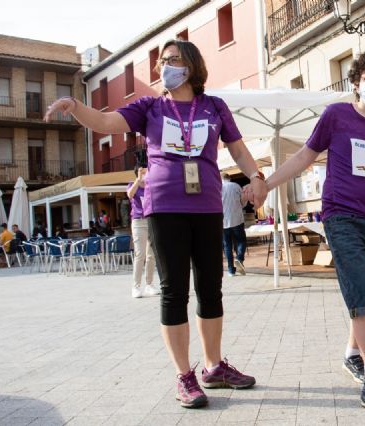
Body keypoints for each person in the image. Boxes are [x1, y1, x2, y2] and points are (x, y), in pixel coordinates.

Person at [44, 38, 268, 409]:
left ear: (192, 66)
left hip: (208, 207)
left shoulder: (214, 107)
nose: (164, 66)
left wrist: (257, 175)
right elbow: (104, 121)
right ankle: (185, 375)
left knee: (211, 289)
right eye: (162, 61)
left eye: (172, 60)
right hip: (164, 207)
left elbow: (239, 150)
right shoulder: (150, 106)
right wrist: (76, 107)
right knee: (174, 291)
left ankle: (213, 367)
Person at [248, 50, 365, 408]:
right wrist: (267, 184)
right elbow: (304, 157)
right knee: (364, 296)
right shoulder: (337, 115)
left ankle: (352, 353)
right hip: (341, 218)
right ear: (356, 82)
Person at [127, 165, 160, 298]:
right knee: (140, 254)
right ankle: (135, 287)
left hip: (150, 220)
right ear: (137, 173)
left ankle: (149, 284)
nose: (145, 174)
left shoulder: (150, 186)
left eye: (146, 171)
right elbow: (130, 195)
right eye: (142, 172)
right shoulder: (131, 184)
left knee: (151, 254)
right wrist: (138, 180)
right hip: (138, 222)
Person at [221, 173, 247, 276]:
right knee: (241, 241)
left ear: (221, 179)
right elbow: (243, 202)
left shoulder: (219, 187)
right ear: (229, 178)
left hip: (223, 221)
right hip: (237, 219)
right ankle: (239, 258)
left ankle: (231, 271)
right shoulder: (236, 186)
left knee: (227, 246)